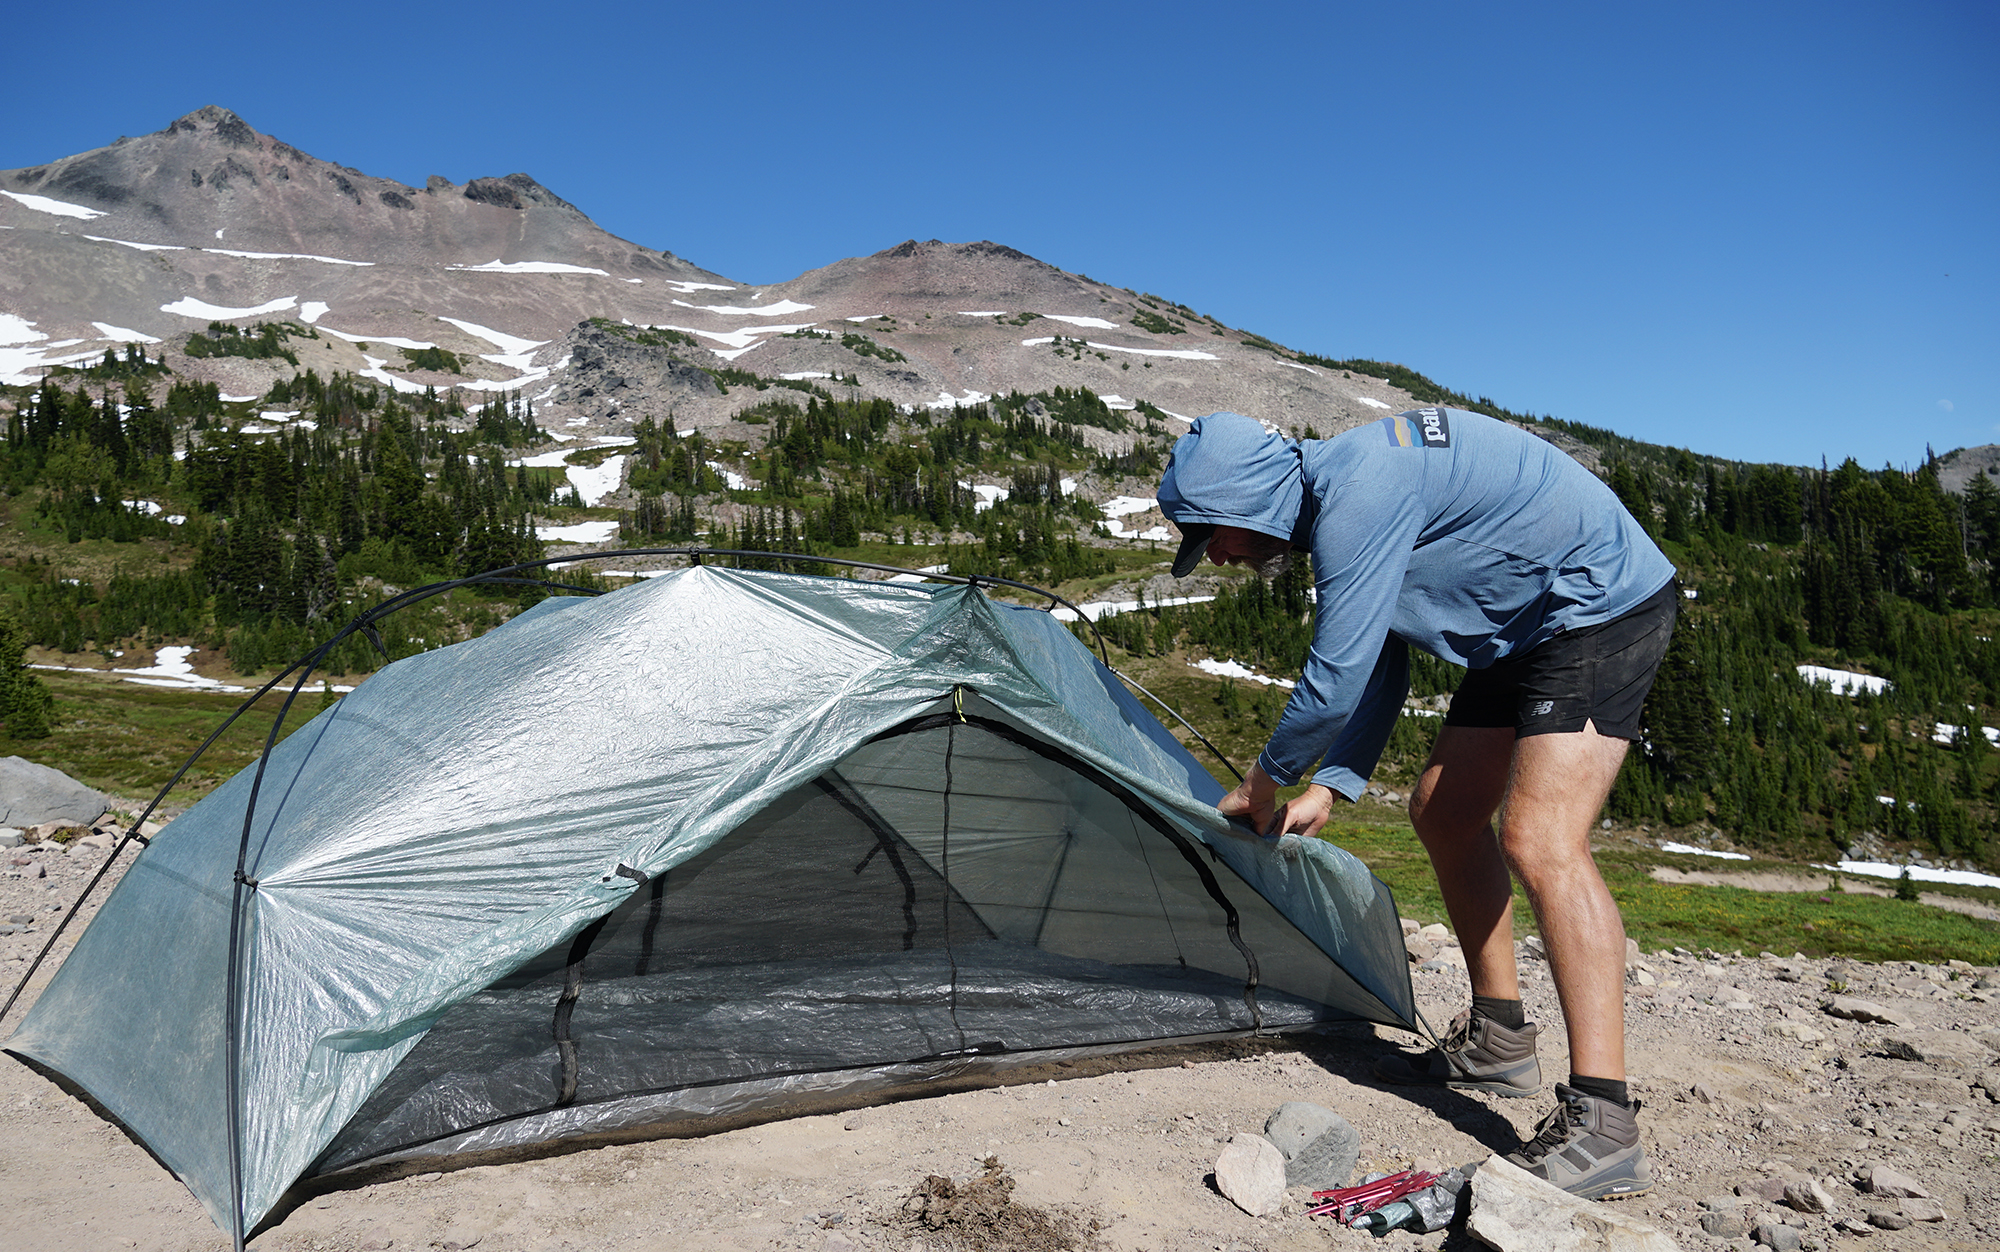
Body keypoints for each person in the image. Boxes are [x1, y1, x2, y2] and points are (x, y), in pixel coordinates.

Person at [1157, 407, 1676, 1201]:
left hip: (1596, 604)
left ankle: (1605, 1125)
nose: (1219, 557)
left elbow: (1333, 680)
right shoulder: (1340, 492)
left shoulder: (1359, 488)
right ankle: (1500, 1039)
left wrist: (1266, 780)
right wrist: (1332, 785)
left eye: (1212, 536)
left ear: (1243, 502)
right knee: (1441, 809)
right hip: (1525, 623)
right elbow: (1377, 664)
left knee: (1542, 842)